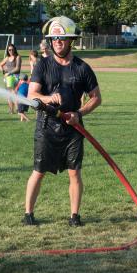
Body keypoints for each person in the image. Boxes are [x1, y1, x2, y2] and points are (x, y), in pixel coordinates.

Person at [23, 16, 102, 227]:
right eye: (54, 38)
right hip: (46, 127)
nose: (57, 41)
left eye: (62, 38)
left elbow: (96, 97)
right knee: (38, 171)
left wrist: (79, 114)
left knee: (74, 172)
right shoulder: (42, 65)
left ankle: (74, 216)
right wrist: (49, 98)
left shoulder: (82, 68)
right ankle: (28, 214)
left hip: (73, 128)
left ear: (71, 40)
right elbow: (32, 95)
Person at [0, 44, 21, 114]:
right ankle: (11, 110)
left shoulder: (18, 57)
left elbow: (17, 68)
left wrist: (9, 73)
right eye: (9, 50)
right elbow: (0, 65)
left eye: (12, 49)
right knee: (8, 94)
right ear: (7, 51)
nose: (11, 51)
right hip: (7, 78)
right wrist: (3, 71)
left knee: (14, 93)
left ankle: (18, 109)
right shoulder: (7, 58)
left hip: (14, 77)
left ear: (14, 49)